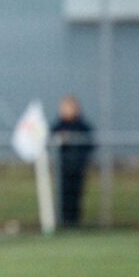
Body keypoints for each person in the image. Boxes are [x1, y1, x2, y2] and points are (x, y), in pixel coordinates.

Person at [50, 95, 95, 228]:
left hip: (77, 167)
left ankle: (75, 223)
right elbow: (50, 139)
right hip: (62, 168)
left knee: (76, 196)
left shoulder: (82, 126)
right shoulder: (58, 126)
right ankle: (62, 222)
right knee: (63, 196)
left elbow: (90, 142)